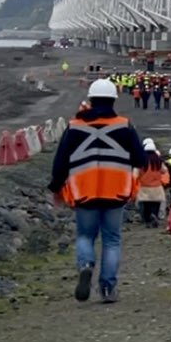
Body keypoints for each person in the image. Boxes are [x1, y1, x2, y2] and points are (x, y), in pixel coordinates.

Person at [48, 78, 150, 304]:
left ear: (91, 100)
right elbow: (141, 159)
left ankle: (85, 265)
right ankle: (107, 289)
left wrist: (55, 187)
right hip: (116, 192)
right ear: (114, 99)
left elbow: (61, 161)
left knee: (85, 235)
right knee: (112, 240)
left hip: (84, 192)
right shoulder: (124, 125)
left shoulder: (75, 126)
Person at [136, 138, 168, 228]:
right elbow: (164, 171)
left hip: (144, 186)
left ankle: (148, 220)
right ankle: (155, 215)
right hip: (157, 186)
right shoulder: (158, 161)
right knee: (156, 204)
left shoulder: (141, 161)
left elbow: (136, 173)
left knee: (146, 205)